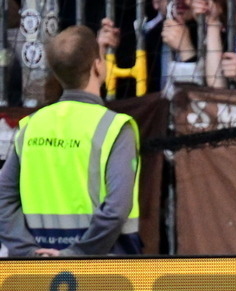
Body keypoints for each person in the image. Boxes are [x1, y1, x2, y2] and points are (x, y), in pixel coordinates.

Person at [0, 25, 142, 256]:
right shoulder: (115, 127)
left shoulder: (32, 125)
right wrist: (76, 254)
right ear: (98, 66)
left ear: (57, 74)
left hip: (39, 268)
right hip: (107, 269)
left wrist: (27, 251)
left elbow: (2, 198)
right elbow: (116, 210)